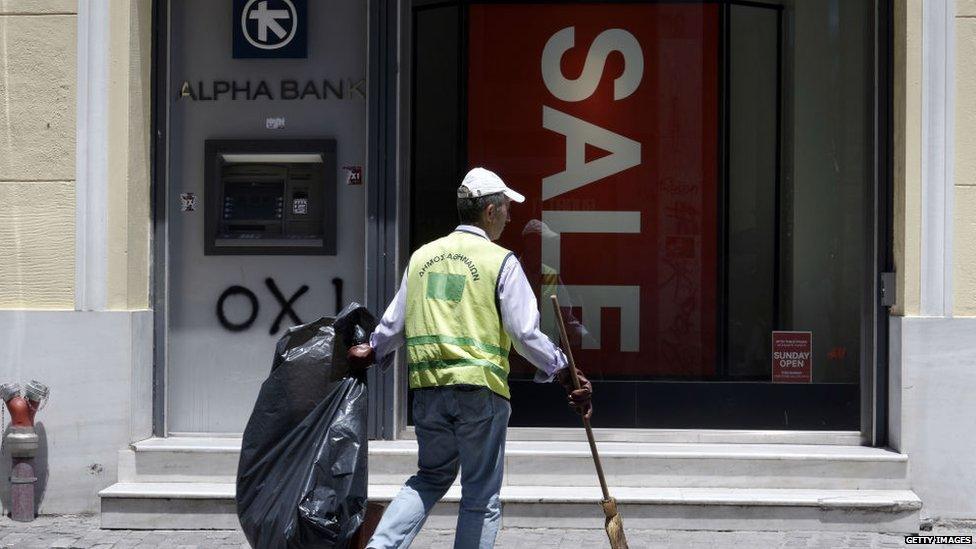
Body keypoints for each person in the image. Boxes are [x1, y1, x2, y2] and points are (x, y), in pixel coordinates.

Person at [347, 167, 594, 549]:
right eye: (507, 209)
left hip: (428, 393)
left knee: (428, 478)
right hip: (481, 394)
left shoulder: (422, 257)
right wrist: (563, 368)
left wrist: (371, 350)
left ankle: (381, 547)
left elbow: (394, 325)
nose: (510, 217)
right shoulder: (501, 262)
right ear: (490, 211)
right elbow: (524, 333)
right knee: (480, 495)